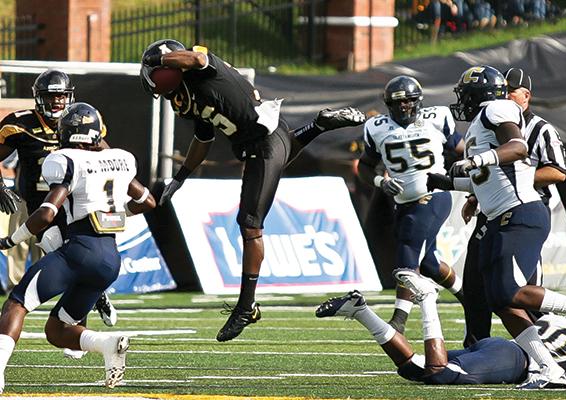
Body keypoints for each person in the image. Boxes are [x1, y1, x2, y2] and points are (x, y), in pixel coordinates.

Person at [140, 39, 366, 342]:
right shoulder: (184, 96)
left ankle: (246, 307)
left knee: (249, 224)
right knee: (264, 187)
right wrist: (180, 177)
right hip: (267, 141)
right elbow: (203, 139)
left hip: (265, 141)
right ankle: (317, 127)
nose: (155, 81)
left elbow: (196, 59)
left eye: (157, 72)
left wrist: (165, 58)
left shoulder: (202, 68)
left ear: (169, 66)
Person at [426, 65, 566, 389]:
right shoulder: (480, 125)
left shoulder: (496, 107)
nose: (461, 100)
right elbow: (483, 180)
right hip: (498, 216)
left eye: (465, 93)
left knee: (512, 292)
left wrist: (478, 160)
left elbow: (517, 148)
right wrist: (441, 181)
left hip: (521, 212)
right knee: (501, 301)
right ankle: (549, 369)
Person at [0, 102, 156, 392]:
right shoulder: (120, 159)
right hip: (110, 260)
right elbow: (147, 201)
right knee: (58, 331)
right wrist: (114, 213)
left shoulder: (67, 160)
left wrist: (11, 240)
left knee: (17, 303)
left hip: (79, 250)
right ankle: (107, 343)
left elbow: (46, 214)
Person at [315, 269, 566, 386]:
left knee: (413, 368)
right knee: (440, 373)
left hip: (503, 347)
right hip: (514, 361)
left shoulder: (564, 318)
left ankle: (359, 310)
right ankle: (427, 298)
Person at [0, 69, 118, 337]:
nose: (57, 102)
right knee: (56, 247)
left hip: (74, 205)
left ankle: (91, 298)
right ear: (39, 98)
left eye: (61, 96)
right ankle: (93, 295)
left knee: (72, 256)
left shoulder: (82, 120)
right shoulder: (20, 125)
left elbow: (107, 159)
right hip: (39, 205)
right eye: (51, 97)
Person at [459, 67, 566, 347]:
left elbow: (557, 171)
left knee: (519, 290)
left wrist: (515, 178)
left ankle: (554, 348)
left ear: (526, 96)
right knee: (476, 285)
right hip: (493, 211)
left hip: (523, 211)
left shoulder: (539, 128)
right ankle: (476, 346)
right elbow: (487, 173)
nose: (502, 98)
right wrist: (475, 195)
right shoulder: (487, 121)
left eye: (509, 92)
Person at [357, 75, 465, 334]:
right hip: (403, 202)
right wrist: (380, 182)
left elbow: (463, 149)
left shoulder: (437, 118)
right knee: (428, 265)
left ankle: (399, 320)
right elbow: (364, 166)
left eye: (409, 101)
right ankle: (468, 295)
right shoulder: (376, 127)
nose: (405, 106)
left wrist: (471, 175)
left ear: (419, 101)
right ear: (388, 105)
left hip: (434, 195)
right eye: (399, 103)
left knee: (408, 250)